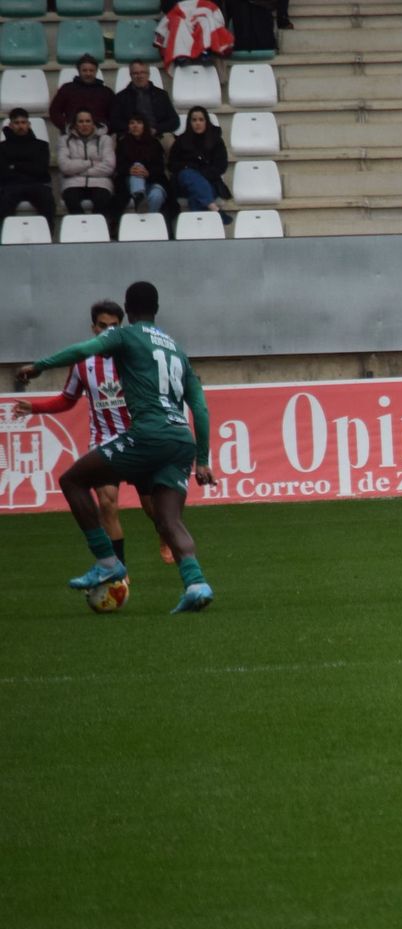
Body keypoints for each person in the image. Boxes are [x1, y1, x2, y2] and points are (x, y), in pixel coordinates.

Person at [14, 281, 216, 614]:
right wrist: (203, 460)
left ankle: (107, 561)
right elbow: (200, 406)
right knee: (168, 519)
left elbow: (81, 350)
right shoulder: (177, 350)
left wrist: (40, 365)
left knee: (72, 481)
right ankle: (196, 584)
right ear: (157, 309)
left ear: (129, 309)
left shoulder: (127, 335)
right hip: (181, 440)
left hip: (147, 435)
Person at [13, 300, 176, 566]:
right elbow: (68, 399)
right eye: (103, 326)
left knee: (152, 506)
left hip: (138, 438)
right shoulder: (82, 363)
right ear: (93, 328)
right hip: (104, 440)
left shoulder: (135, 356)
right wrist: (35, 408)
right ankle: (118, 571)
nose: (108, 331)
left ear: (121, 327)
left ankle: (163, 532)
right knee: (107, 502)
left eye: (114, 326)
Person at [169, 106, 232, 220]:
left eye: (201, 120)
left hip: (209, 181)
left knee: (196, 197)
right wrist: (188, 167)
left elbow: (221, 166)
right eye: (194, 120)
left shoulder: (216, 141)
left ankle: (199, 233)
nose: (197, 123)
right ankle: (215, 209)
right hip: (184, 183)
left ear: (206, 122)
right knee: (188, 174)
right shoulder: (181, 141)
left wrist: (200, 174)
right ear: (190, 122)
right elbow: (172, 165)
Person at [0, 109, 56, 231]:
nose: (20, 126)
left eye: (23, 122)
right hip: (11, 186)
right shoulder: (2, 147)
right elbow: (3, 172)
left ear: (29, 124)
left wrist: (15, 165)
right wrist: (29, 167)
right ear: (10, 125)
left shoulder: (41, 145)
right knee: (4, 202)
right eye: (17, 123)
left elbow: (41, 170)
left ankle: (47, 236)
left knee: (47, 200)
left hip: (37, 185)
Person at [59, 110, 117, 223]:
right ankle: (81, 230)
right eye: (80, 121)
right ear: (75, 124)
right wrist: (90, 163)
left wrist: (77, 170)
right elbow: (65, 166)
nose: (84, 124)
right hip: (73, 183)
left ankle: (98, 231)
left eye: (87, 121)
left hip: (100, 182)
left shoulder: (105, 139)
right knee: (71, 199)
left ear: (93, 123)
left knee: (102, 200)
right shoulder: (64, 140)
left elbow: (109, 166)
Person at [114, 113, 173, 217]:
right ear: (128, 126)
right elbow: (119, 166)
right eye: (132, 123)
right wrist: (130, 170)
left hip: (152, 180)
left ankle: (146, 219)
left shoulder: (154, 143)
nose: (135, 126)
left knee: (157, 195)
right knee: (137, 165)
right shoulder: (123, 143)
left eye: (139, 123)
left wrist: (147, 172)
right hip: (130, 181)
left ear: (145, 126)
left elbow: (159, 167)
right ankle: (139, 196)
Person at [109, 62, 181, 138]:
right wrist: (133, 128)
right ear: (130, 75)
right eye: (135, 73)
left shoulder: (161, 95)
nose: (140, 76)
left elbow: (174, 121)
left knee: (169, 140)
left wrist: (156, 129)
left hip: (158, 134)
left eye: (143, 72)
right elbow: (114, 121)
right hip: (130, 135)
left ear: (148, 74)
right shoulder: (121, 97)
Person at [49, 56, 117, 135]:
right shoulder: (67, 89)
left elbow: (114, 115)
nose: (88, 73)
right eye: (84, 70)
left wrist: (106, 128)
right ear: (79, 71)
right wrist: (66, 126)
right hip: (72, 135)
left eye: (91, 70)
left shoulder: (106, 92)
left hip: (100, 135)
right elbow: (54, 111)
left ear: (96, 71)